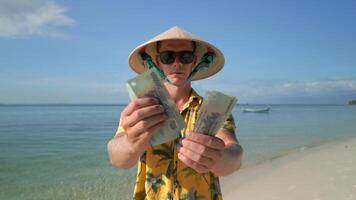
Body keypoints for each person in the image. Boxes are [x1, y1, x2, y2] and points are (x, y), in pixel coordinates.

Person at [107, 26, 243, 200]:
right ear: (157, 61)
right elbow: (117, 158)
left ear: (194, 62)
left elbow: (235, 154)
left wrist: (219, 158)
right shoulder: (141, 109)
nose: (177, 63)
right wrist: (130, 142)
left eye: (185, 57)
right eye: (168, 57)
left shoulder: (213, 109)